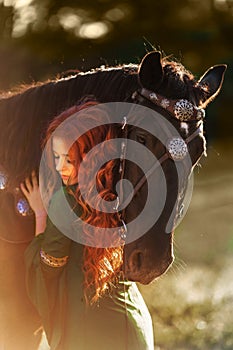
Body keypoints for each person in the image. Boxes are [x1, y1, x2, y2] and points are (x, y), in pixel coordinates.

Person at [21, 100, 154, 350]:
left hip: (90, 335)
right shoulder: (124, 189)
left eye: (68, 160)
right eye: (56, 157)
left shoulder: (66, 202)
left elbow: (47, 268)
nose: (59, 167)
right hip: (133, 326)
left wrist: (40, 212)